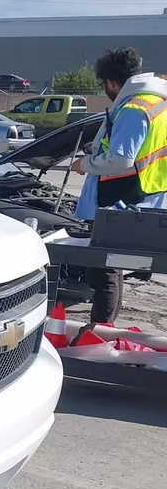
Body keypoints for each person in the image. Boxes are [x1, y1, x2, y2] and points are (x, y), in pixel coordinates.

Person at [72, 47, 167, 323]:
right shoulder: (158, 103)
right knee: (113, 268)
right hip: (146, 196)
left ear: (111, 83)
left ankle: (99, 331)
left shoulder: (135, 108)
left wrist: (85, 164)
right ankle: (106, 329)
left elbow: (121, 159)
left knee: (104, 272)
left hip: (121, 201)